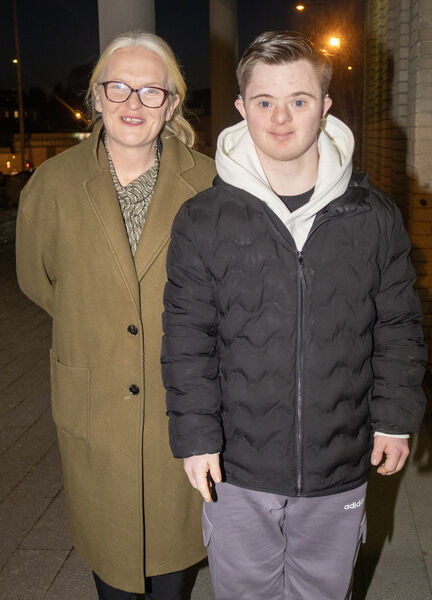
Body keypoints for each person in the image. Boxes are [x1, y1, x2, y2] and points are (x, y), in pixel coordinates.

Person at [161, 30, 427, 600]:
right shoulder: (202, 219)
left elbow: (398, 325)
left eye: (299, 101)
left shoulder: (374, 215)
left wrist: (395, 418)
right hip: (238, 465)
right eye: (264, 102)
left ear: (325, 107)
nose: (281, 119)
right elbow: (188, 339)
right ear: (241, 108)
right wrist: (196, 437)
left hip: (339, 461)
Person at [16, 31, 215, 600]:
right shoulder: (51, 184)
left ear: (172, 104)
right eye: (118, 87)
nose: (133, 103)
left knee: (174, 560)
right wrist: (95, 320)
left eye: (151, 91)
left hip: (183, 403)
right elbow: (38, 280)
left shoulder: (211, 184)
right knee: (111, 561)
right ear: (96, 97)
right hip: (94, 399)